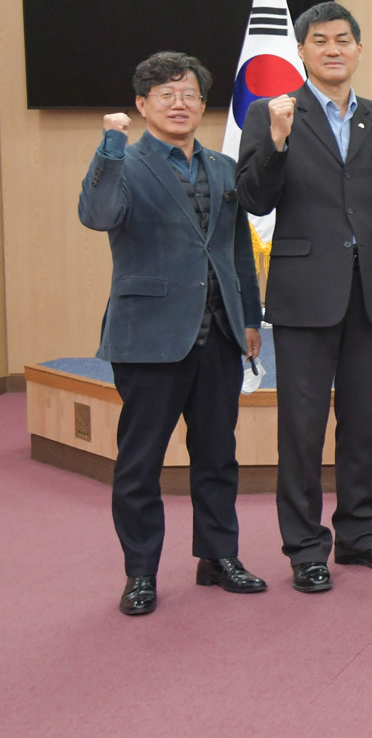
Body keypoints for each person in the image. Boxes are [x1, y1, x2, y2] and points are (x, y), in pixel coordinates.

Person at [236, 1, 372, 593]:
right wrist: (278, 141)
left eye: (343, 39)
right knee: (303, 428)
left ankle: (361, 534)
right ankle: (305, 547)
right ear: (302, 51)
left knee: (361, 423)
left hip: (371, 292)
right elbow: (254, 199)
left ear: (359, 49)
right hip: (303, 293)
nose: (332, 49)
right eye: (319, 40)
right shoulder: (271, 112)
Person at [79, 52, 267, 615]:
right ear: (142, 105)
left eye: (189, 94)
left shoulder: (224, 167)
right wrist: (111, 144)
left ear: (203, 104)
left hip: (220, 334)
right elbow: (98, 214)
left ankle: (218, 556)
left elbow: (237, 250)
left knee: (218, 456)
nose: (179, 104)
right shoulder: (124, 162)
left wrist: (249, 317)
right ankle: (140, 573)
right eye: (165, 94)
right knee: (141, 463)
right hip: (148, 337)